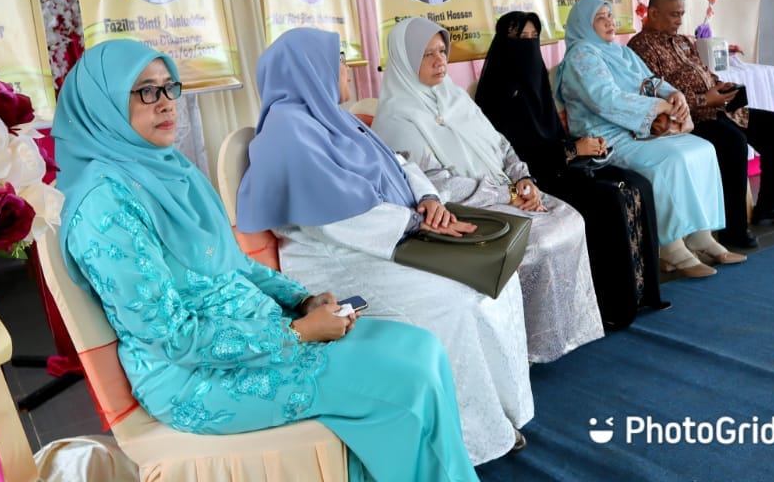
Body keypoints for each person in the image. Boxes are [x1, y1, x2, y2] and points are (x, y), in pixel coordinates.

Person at [52, 41, 481, 482]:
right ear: (102, 104)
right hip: (194, 377)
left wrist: (303, 301)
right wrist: (296, 333)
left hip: (259, 330)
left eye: (169, 87)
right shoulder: (104, 206)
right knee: (401, 382)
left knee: (423, 350)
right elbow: (171, 337)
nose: (165, 103)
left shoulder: (171, 170)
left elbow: (233, 265)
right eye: (146, 91)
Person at [236, 28, 534, 465]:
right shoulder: (287, 131)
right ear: (309, 69)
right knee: (451, 301)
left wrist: (428, 199)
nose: (346, 68)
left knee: (494, 282)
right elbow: (334, 220)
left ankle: (503, 413)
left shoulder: (334, 118)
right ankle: (470, 438)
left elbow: (400, 163)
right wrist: (415, 222)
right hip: (337, 258)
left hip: (386, 239)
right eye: (338, 58)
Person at [373, 18, 604, 362]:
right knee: (538, 239)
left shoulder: (454, 96)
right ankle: (521, 348)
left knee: (570, 218)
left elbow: (501, 144)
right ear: (404, 60)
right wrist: (506, 195)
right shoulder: (397, 117)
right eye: (426, 54)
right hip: (464, 208)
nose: (439, 61)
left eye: (442, 51)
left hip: (504, 189)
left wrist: (523, 180)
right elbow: (437, 185)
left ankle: (557, 334)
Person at [475, 11, 668, 329]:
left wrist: (583, 146)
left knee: (636, 184)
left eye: (533, 38)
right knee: (608, 201)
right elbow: (516, 154)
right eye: (520, 38)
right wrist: (573, 150)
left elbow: (551, 135)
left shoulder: (536, 79)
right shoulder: (496, 92)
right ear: (503, 42)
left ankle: (642, 293)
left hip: (561, 166)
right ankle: (611, 306)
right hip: (534, 179)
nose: (528, 46)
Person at [554, 0, 746, 278]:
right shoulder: (581, 56)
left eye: (610, 15)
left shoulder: (619, 51)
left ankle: (701, 236)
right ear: (583, 24)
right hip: (608, 137)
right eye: (600, 17)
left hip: (640, 130)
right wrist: (658, 107)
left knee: (704, 149)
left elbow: (652, 80)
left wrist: (674, 95)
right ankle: (670, 246)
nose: (610, 22)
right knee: (669, 161)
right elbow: (604, 100)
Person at [629, 0, 774, 250]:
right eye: (673, 14)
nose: (679, 21)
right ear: (653, 13)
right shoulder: (640, 47)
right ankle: (733, 230)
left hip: (721, 109)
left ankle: (769, 204)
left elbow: (703, 71)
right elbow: (655, 97)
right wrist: (705, 99)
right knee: (733, 143)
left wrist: (720, 87)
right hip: (690, 119)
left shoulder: (682, 41)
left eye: (682, 14)